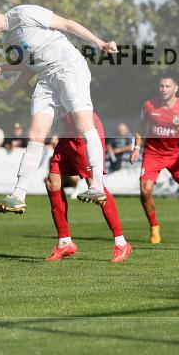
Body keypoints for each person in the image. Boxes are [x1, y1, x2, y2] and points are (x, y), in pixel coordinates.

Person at [0, 0, 118, 213]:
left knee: (84, 124)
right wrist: (4, 82)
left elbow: (66, 24)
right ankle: (18, 195)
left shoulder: (23, 13)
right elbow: (29, 68)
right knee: (35, 135)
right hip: (46, 77)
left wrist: (99, 42)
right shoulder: (9, 41)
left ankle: (96, 185)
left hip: (68, 66)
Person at [44, 112, 131, 263]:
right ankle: (65, 243)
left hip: (84, 133)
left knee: (96, 188)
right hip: (68, 134)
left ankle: (121, 243)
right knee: (52, 181)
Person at [131, 76, 179, 245]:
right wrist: (136, 148)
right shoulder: (149, 106)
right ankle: (154, 228)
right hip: (153, 154)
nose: (163, 89)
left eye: (167, 86)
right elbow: (140, 128)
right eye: (161, 86)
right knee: (145, 190)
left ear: (175, 88)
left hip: (176, 155)